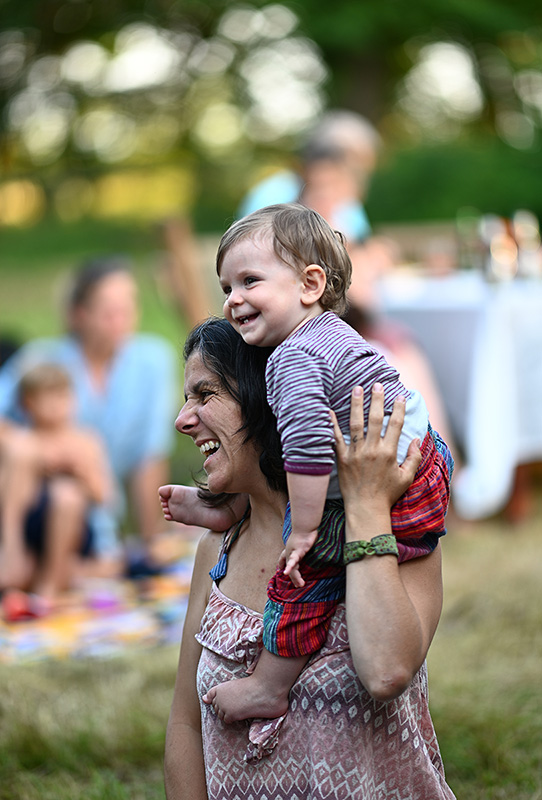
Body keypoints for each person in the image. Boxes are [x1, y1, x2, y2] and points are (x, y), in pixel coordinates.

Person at [178, 203, 452, 724]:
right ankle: (229, 507)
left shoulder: (292, 359)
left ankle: (267, 686)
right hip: (424, 457)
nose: (234, 299)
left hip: (387, 478)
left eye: (206, 395)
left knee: (301, 582)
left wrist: (329, 520)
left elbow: (303, 446)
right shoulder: (330, 335)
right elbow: (183, 722)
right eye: (226, 289)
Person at [163, 316, 456, 800]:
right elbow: (185, 726)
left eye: (205, 394)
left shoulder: (394, 535)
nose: (182, 418)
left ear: (270, 399)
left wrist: (364, 507)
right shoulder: (217, 550)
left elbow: (387, 672)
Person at [0, 256, 179, 564]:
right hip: (38, 501)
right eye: (109, 310)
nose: (121, 318)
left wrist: (153, 538)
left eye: (128, 306)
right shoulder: (43, 359)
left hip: (96, 506)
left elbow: (150, 454)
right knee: (62, 496)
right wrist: (43, 450)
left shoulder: (153, 361)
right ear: (79, 314)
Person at [0, 363, 113, 618]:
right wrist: (40, 462)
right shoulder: (22, 440)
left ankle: (48, 586)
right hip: (29, 527)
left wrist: (79, 471)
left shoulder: (84, 441)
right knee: (21, 454)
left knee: (67, 494)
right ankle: (14, 553)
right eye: (46, 398)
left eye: (62, 397)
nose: (56, 406)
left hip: (71, 531)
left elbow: (103, 496)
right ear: (28, 403)